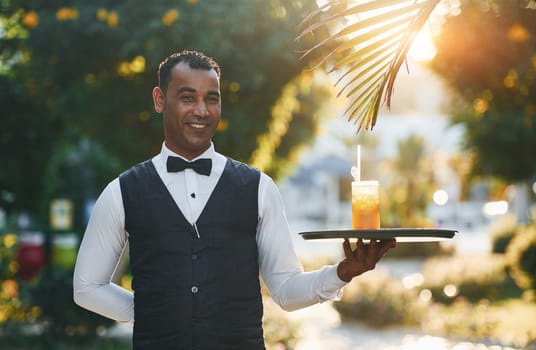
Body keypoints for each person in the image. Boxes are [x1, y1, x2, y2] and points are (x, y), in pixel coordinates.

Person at [73, 50, 396, 350]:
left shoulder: (259, 188)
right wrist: (149, 310)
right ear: (160, 99)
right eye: (187, 98)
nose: (201, 110)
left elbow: (285, 290)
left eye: (211, 99)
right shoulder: (121, 191)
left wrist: (342, 272)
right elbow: (87, 286)